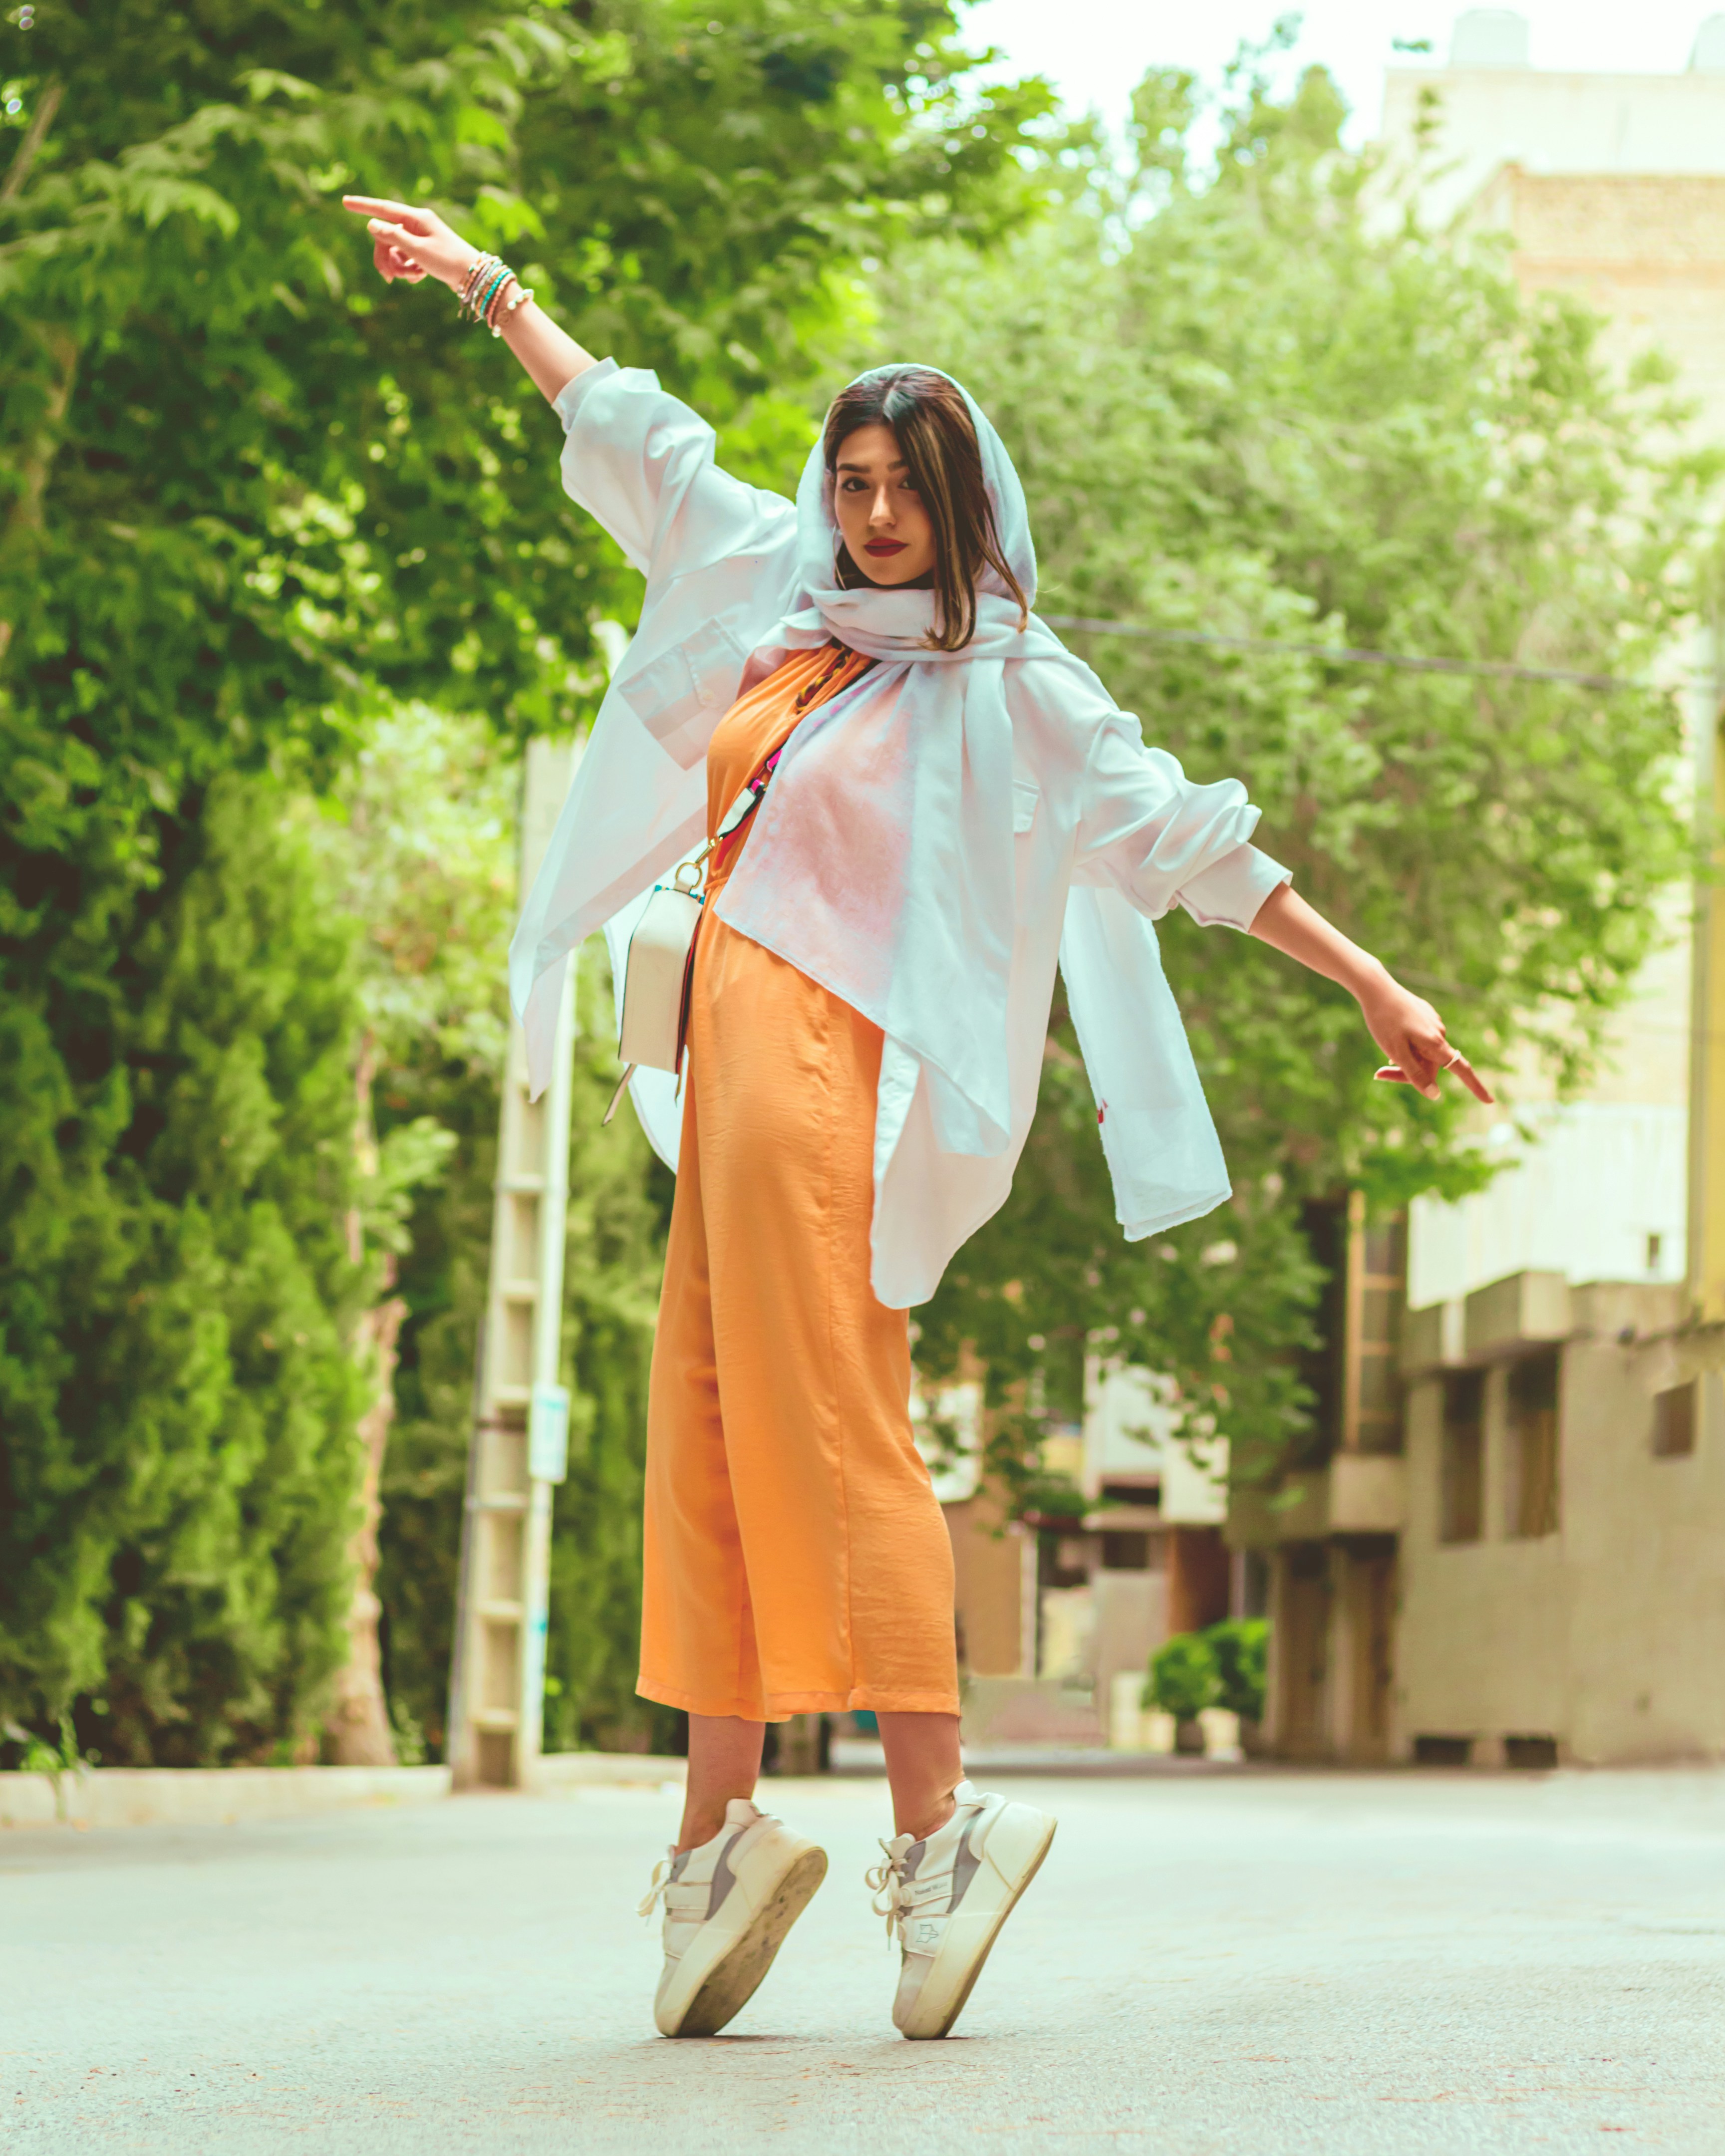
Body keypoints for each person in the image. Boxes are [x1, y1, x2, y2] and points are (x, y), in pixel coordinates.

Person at [343, 195, 1493, 2043]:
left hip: (824, 1079)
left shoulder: (1009, 683)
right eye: (856, 477)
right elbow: (639, 440)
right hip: (722, 1068)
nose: (874, 511)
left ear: (966, 511)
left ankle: (939, 1832)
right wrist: (491, 291)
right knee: (705, 1440)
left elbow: (1188, 841)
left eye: (908, 489)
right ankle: (717, 1840)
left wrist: (1370, 979)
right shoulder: (782, 607)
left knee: (838, 1429)